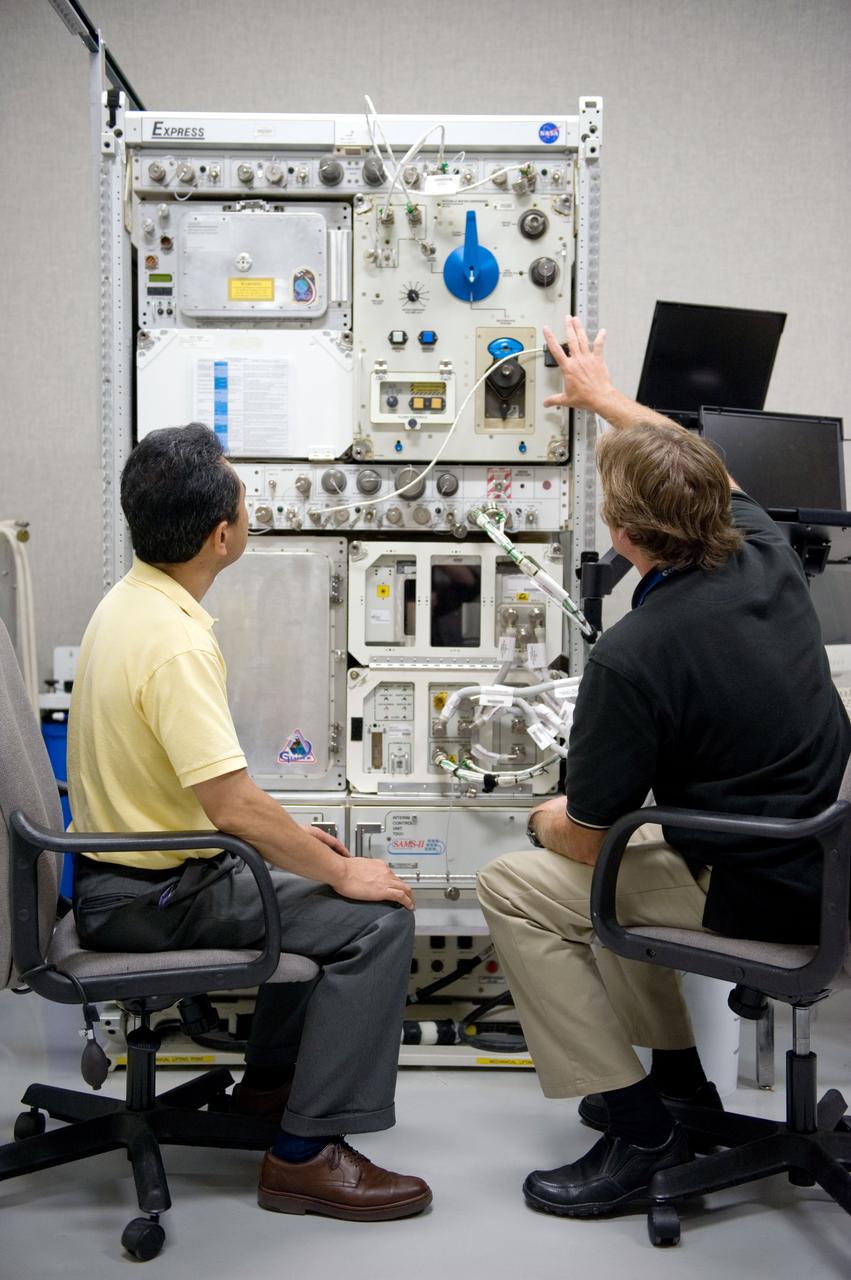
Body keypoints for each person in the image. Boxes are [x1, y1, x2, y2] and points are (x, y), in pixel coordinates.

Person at [477, 316, 850, 1219]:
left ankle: (641, 1130)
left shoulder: (633, 654)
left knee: (521, 882)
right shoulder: (764, 553)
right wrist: (604, 396)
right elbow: (712, 470)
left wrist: (539, 813)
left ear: (621, 535)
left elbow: (583, 839)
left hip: (756, 893)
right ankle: (682, 1086)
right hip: (821, 863)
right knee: (631, 860)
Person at [68, 423, 432, 1223]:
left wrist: (307, 853)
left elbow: (215, 792)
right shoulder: (173, 644)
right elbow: (230, 807)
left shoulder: (130, 602)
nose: (248, 503)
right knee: (376, 919)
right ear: (221, 536)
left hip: (134, 876)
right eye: (242, 495)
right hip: (151, 899)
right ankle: (305, 1155)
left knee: (314, 882)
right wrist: (340, 870)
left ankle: (270, 1094)